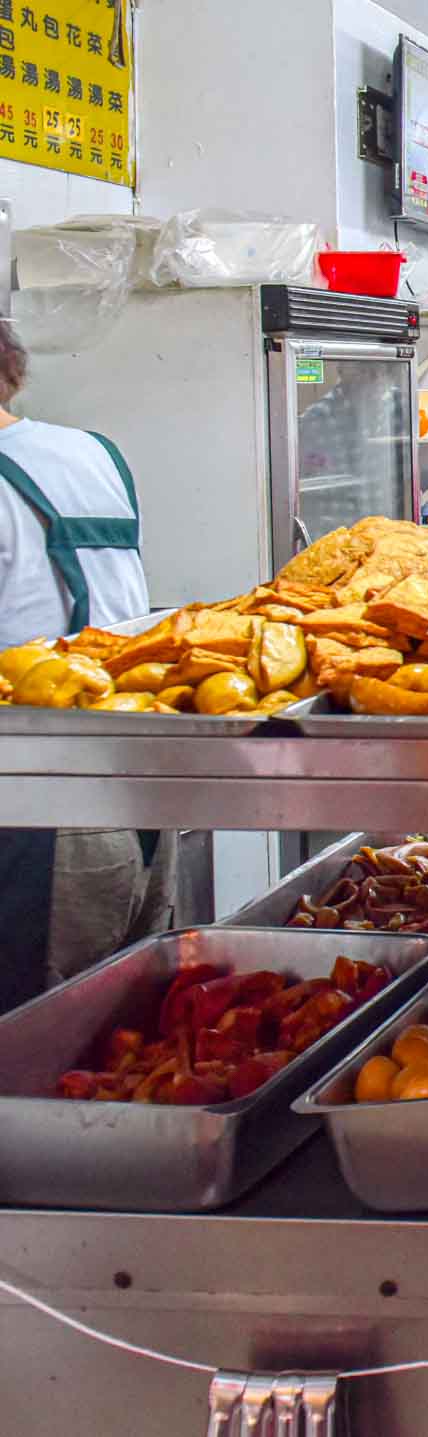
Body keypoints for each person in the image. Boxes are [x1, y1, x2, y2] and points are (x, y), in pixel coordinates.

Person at [0, 320, 166, 1013]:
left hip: (41, 820)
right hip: (145, 803)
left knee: (33, 1060)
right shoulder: (91, 453)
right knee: (123, 1044)